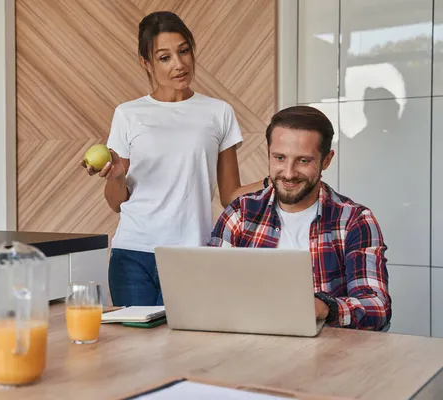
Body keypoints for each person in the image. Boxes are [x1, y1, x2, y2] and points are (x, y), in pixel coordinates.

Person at [82, 11, 265, 307]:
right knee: (137, 350)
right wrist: (116, 177)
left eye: (184, 51)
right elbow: (117, 202)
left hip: (190, 253)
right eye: (164, 57)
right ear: (147, 63)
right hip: (133, 253)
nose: (179, 65)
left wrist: (275, 180)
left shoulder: (218, 112)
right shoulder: (128, 114)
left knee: (182, 351)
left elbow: (231, 194)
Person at [208, 105, 392, 331]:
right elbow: (211, 292)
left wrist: (326, 308)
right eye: (279, 158)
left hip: (328, 355)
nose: (288, 173)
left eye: (303, 160)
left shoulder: (354, 220)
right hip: (249, 348)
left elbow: (377, 307)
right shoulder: (240, 214)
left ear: (326, 160)